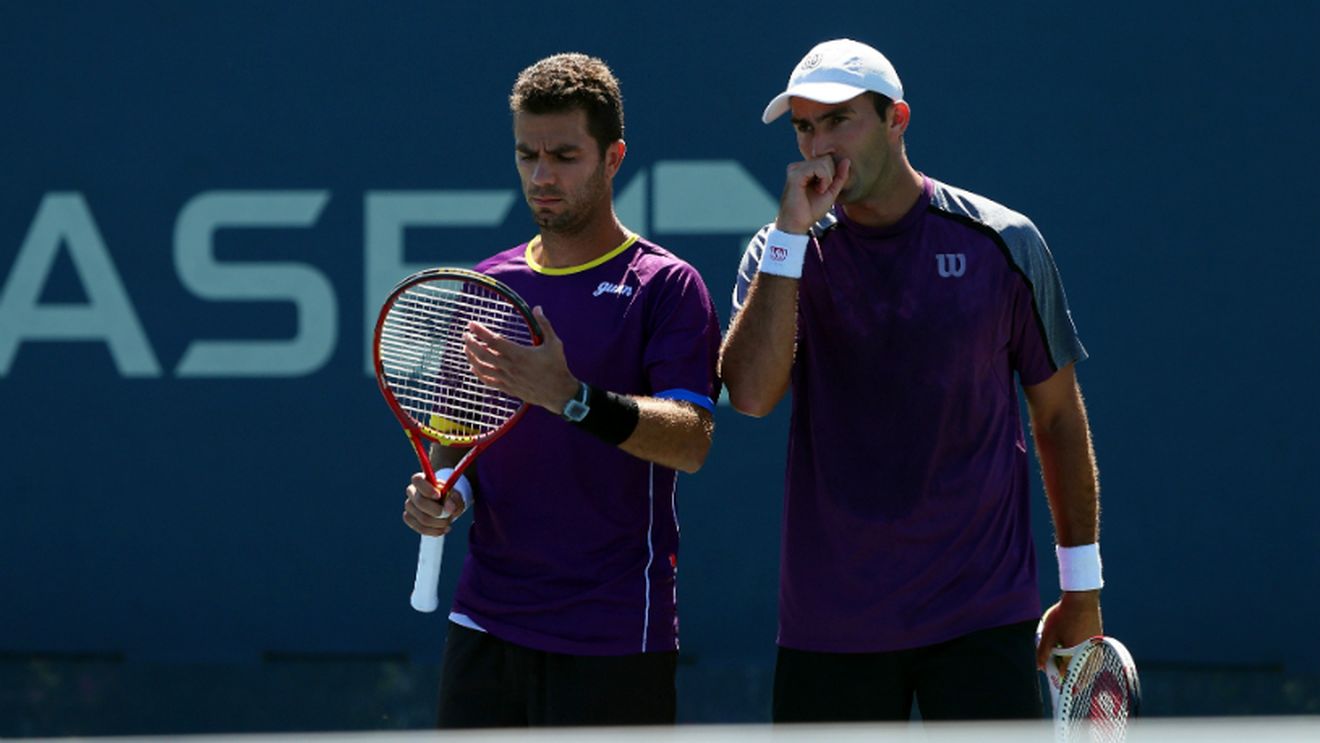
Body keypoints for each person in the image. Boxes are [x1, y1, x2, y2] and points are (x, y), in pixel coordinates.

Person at [718, 38, 1104, 722]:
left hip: (981, 617)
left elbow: (1057, 417)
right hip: (830, 626)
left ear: (896, 119)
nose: (818, 146)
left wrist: (1083, 591)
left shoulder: (1005, 242)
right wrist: (789, 236)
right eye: (805, 126)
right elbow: (749, 396)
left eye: (839, 120)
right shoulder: (779, 251)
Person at [401, 52, 721, 728]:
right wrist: (444, 494)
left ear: (613, 157)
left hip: (615, 631)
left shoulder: (666, 286)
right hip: (485, 623)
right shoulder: (488, 286)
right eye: (528, 155)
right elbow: (456, 441)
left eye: (565, 156)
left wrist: (573, 398)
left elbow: (691, 441)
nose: (542, 176)